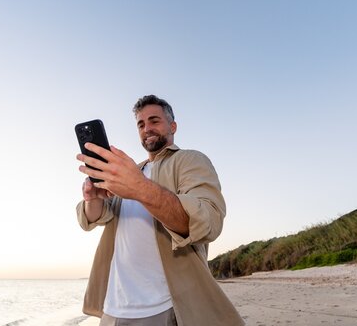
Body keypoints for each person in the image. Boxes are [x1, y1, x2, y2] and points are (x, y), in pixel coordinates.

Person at [76, 95, 244, 326]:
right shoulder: (132, 172)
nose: (147, 129)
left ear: (172, 126)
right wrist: (92, 198)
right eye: (141, 124)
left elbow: (207, 221)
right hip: (113, 307)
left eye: (154, 121)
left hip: (163, 306)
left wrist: (139, 187)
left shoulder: (189, 160)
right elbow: (94, 218)